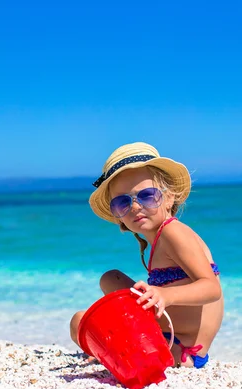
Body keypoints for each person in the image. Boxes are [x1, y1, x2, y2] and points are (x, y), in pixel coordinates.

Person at [70, 142, 224, 369]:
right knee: (111, 279)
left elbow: (211, 289)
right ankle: (112, 349)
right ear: (118, 215)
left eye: (147, 196)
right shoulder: (160, 238)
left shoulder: (174, 232)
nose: (135, 206)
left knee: (80, 322)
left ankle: (111, 352)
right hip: (169, 335)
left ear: (169, 198)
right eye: (123, 202)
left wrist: (165, 295)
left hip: (181, 349)